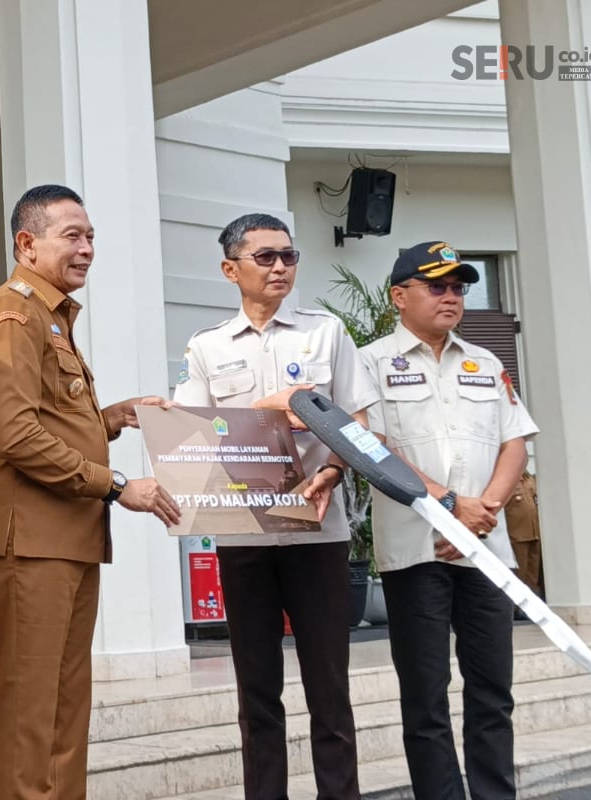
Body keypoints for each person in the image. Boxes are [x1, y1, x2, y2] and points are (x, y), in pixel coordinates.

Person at [0, 184, 181, 798]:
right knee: (32, 710)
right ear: (26, 244)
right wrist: (116, 486)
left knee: (65, 704)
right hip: (29, 541)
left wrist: (110, 416)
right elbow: (13, 434)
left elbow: (48, 417)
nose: (87, 248)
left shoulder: (49, 315)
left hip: (65, 537)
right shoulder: (14, 315)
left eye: (91, 236)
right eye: (72, 236)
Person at [172, 212, 376, 800]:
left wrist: (334, 470)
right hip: (244, 537)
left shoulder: (325, 333)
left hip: (317, 532)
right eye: (265, 257)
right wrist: (270, 405)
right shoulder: (207, 346)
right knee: (256, 693)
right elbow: (193, 432)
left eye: (288, 255)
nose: (281, 267)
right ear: (230, 268)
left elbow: (358, 420)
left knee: (329, 691)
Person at [359, 241, 539, 800]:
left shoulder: (484, 363)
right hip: (417, 551)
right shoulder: (370, 362)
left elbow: (515, 444)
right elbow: (373, 447)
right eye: (437, 286)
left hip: (487, 550)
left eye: (460, 286)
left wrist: (480, 511)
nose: (452, 297)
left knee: (492, 690)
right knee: (426, 695)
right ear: (399, 295)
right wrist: (447, 503)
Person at [505, 470, 544, 598]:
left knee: (533, 572)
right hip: (517, 534)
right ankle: (518, 604)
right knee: (519, 572)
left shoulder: (529, 480)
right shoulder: (508, 480)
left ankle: (532, 601)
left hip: (534, 533)